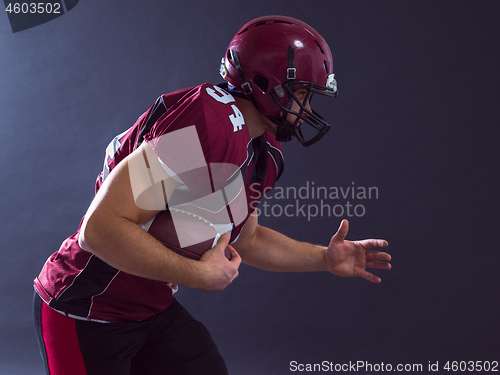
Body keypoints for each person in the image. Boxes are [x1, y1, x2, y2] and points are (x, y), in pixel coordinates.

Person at [33, 15, 391, 375]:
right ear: (269, 84)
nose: (308, 110)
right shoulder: (209, 123)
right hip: (87, 307)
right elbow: (100, 229)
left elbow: (248, 240)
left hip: (150, 310)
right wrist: (198, 275)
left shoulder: (264, 151)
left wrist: (324, 259)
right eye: (301, 95)